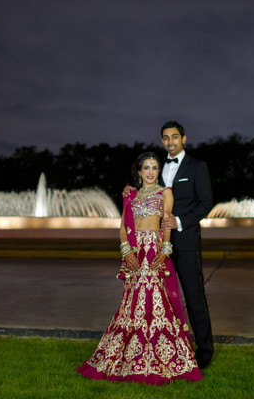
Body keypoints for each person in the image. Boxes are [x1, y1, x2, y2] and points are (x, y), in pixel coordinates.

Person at [77, 152, 203, 385]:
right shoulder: (130, 195)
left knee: (156, 300)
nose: (151, 172)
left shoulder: (165, 193)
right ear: (139, 171)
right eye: (147, 167)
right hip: (135, 253)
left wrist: (165, 250)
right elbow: (123, 228)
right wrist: (127, 251)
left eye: (155, 167)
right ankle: (130, 356)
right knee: (131, 302)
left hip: (155, 252)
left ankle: (162, 357)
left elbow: (167, 223)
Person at [123, 121, 214, 369]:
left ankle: (204, 350)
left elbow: (205, 204)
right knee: (160, 299)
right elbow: (145, 187)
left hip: (184, 242)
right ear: (162, 141)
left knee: (194, 297)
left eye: (175, 137)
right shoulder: (158, 167)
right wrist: (130, 188)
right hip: (154, 247)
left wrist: (180, 221)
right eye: (166, 138)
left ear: (184, 139)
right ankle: (166, 346)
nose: (170, 141)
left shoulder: (197, 166)